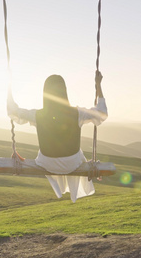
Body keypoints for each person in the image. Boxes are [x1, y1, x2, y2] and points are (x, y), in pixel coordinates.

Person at [7, 71, 107, 202]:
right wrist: (98, 85)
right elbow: (102, 113)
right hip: (73, 164)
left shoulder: (37, 115)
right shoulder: (77, 113)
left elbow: (14, 112)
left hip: (47, 164)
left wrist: (9, 90)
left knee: (47, 155)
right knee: (79, 154)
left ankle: (37, 161)